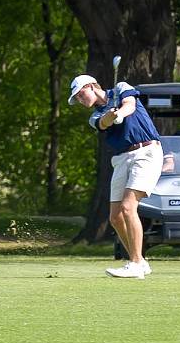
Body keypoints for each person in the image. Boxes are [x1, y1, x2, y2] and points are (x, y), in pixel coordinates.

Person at [68, 74, 163, 279]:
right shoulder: (94, 116)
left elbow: (130, 104)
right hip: (121, 158)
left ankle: (136, 263)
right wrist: (111, 116)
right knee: (115, 216)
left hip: (146, 151)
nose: (80, 99)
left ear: (91, 86)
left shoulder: (121, 88)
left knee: (128, 207)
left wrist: (119, 112)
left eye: (80, 93)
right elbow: (103, 122)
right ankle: (140, 260)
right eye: (76, 98)